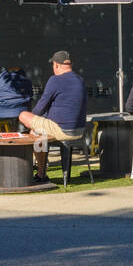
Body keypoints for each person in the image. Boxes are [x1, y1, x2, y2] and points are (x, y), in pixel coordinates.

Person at [19, 50, 88, 183]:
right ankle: (42, 172)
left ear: (56, 65)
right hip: (79, 131)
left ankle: (41, 174)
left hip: (62, 130)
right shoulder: (80, 80)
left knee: (24, 117)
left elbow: (40, 108)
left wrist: (32, 122)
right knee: (38, 131)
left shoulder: (55, 80)